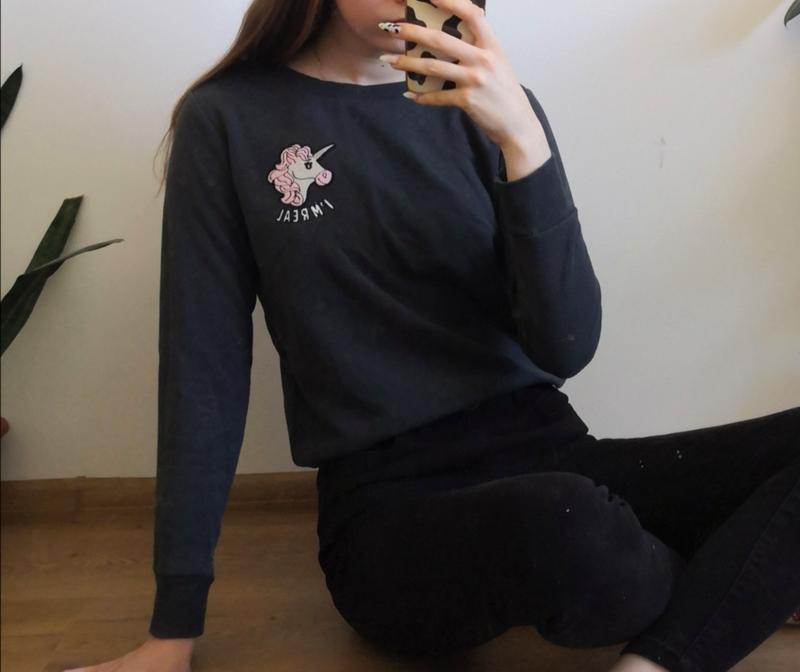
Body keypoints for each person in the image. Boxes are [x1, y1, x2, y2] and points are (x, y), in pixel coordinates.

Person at [64, 1, 799, 671]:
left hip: (553, 453)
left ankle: (659, 661)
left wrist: (522, 140)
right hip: (389, 508)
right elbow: (203, 373)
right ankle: (750, 573)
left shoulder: (496, 107)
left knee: (580, 516)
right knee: (575, 529)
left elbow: (567, 348)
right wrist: (172, 632)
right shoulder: (228, 118)